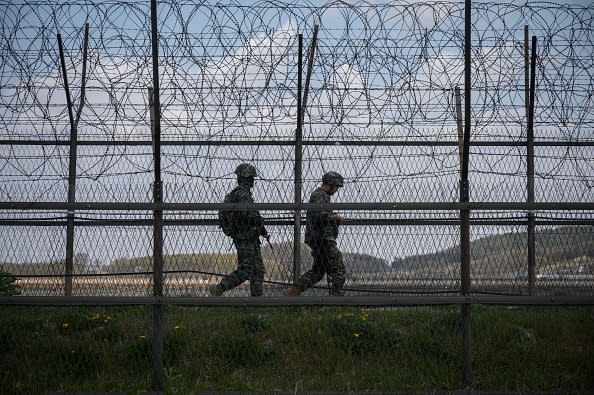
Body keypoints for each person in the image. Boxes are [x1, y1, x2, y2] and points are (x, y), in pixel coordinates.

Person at [210, 163, 268, 296]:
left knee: (258, 270)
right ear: (247, 178)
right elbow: (247, 214)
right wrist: (259, 221)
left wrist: (260, 226)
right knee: (246, 269)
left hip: (248, 237)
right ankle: (221, 287)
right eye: (252, 177)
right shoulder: (242, 194)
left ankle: (257, 300)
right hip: (245, 237)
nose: (253, 180)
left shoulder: (240, 193)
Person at [288, 171, 346, 296]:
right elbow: (318, 216)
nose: (336, 190)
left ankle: (294, 292)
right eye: (336, 187)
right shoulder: (320, 195)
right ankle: (337, 299)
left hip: (319, 238)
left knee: (319, 271)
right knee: (338, 267)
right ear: (331, 184)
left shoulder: (322, 196)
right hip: (322, 239)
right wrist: (335, 218)